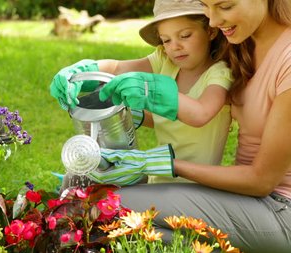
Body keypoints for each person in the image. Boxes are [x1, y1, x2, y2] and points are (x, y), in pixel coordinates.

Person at [86, 0, 291, 252]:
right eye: (206, 6)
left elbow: (262, 181)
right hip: (245, 198)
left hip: (279, 209)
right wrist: (83, 72)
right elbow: (178, 95)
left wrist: (163, 163)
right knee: (127, 231)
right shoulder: (241, 42)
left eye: (225, 7)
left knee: (106, 204)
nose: (213, 21)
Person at [50, 0, 233, 186]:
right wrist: (82, 72)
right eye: (166, 40)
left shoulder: (219, 74)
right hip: (157, 178)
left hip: (194, 186)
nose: (175, 46)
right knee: (76, 178)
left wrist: (153, 91)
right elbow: (117, 67)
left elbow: (200, 114)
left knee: (102, 200)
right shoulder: (166, 60)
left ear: (211, 31)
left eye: (185, 35)